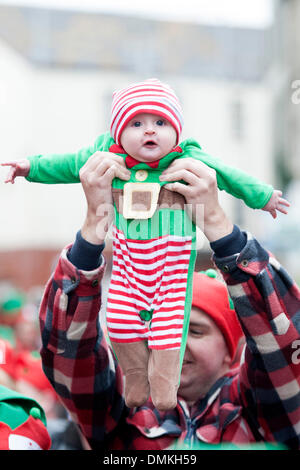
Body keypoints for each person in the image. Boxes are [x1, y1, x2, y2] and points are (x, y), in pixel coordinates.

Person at [1, 79, 290, 411]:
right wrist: (29, 168)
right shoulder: (108, 158)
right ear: (118, 134)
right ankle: (136, 379)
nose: (149, 131)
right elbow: (66, 164)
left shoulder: (188, 159)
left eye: (161, 122)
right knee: (121, 323)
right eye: (136, 123)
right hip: (126, 268)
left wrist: (263, 196)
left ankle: (164, 387)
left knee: (169, 329)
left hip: (170, 271)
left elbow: (229, 174)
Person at [37, 154, 300, 450]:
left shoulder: (259, 413)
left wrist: (219, 226)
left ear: (233, 350)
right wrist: (92, 232)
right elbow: (67, 353)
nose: (174, 335)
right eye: (158, 323)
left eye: (195, 330)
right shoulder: (124, 411)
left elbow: (283, 341)